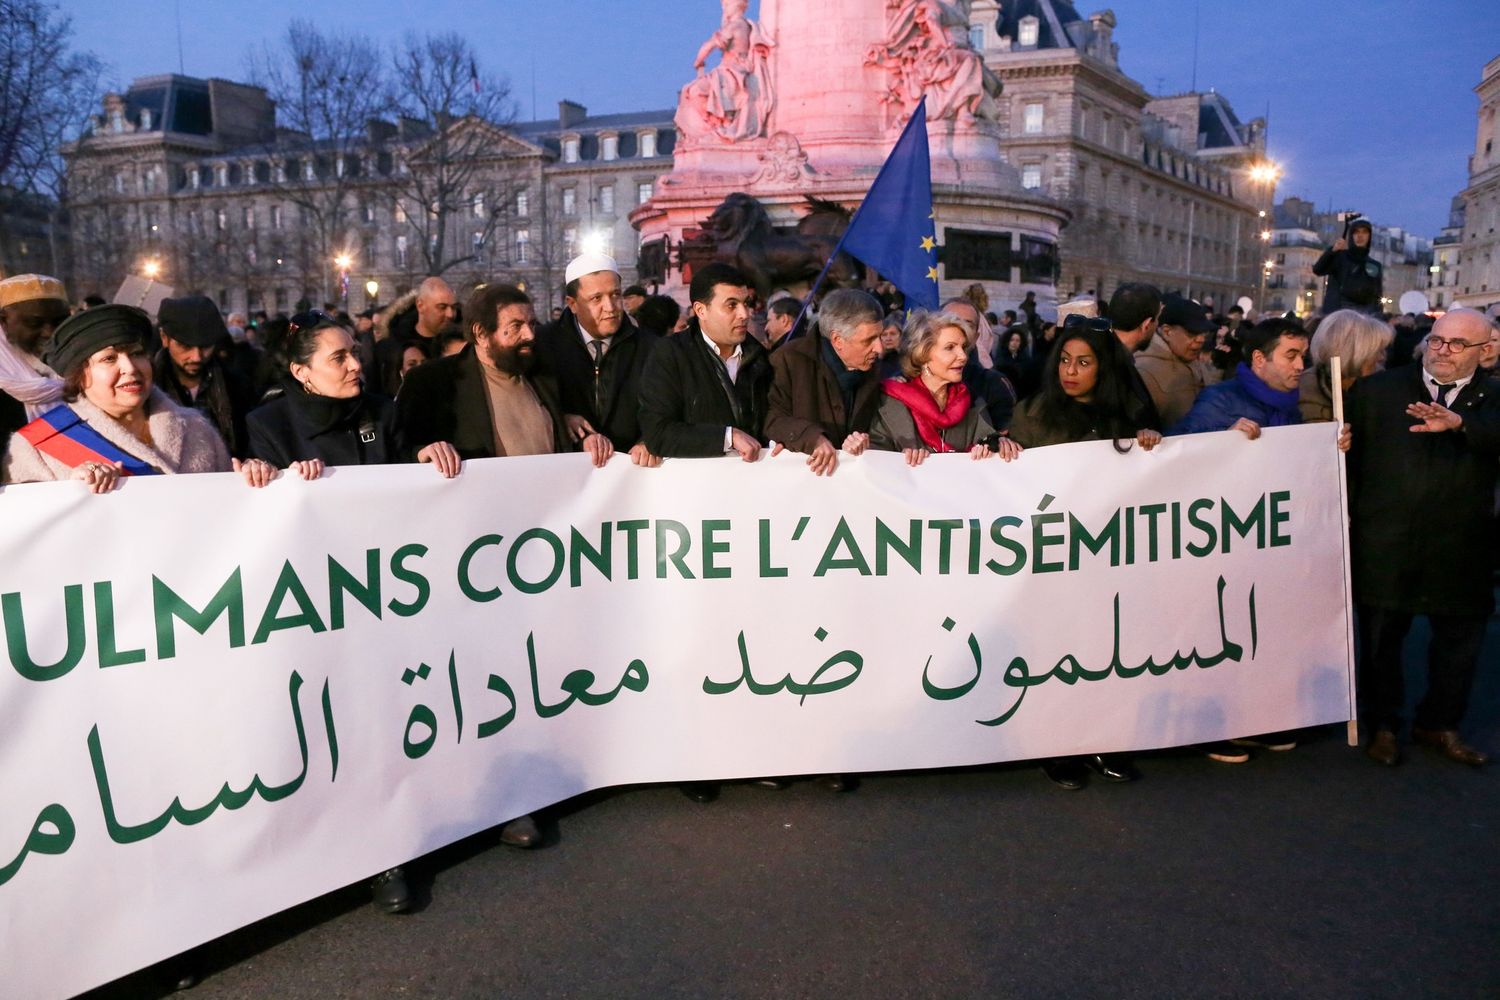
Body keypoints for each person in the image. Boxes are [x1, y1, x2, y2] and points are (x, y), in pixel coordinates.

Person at [1003, 320, 1157, 789]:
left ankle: (1103, 739)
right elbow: (1009, 486)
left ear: (1103, 368)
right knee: (1054, 650)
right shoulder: (1033, 413)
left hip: (1105, 557)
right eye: (1065, 361)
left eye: (1084, 362)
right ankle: (1056, 745)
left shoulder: (1128, 413)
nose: (1070, 371)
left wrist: (1151, 445)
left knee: (1104, 647)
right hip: (1050, 554)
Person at [1349, 309, 1500, 768]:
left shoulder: (1494, 397)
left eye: (1457, 344)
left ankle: (1439, 723)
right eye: (1437, 340)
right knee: (1381, 641)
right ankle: (1384, 725)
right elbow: (1349, 463)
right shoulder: (1378, 391)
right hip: (1387, 540)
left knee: (1459, 645)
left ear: (1485, 351)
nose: (1442, 351)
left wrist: (1462, 425)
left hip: (1464, 545)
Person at [2, 304, 278, 489]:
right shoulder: (38, 446)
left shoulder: (197, 428)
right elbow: (32, 536)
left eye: (136, 354)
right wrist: (72, 495)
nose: (130, 368)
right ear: (80, 375)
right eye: (109, 359)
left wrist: (253, 477)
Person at [397, 283, 604, 472]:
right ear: (481, 334)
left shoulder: (544, 373)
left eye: (531, 324)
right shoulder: (432, 382)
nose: (530, 335)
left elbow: (563, 436)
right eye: (516, 326)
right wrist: (423, 453)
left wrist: (584, 440)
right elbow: (398, 450)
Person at [638, 261, 772, 464]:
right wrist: (727, 437)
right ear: (701, 310)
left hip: (755, 475)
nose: (744, 314)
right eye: (731, 305)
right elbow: (658, 431)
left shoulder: (760, 357)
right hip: (695, 479)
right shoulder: (670, 354)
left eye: (746, 303)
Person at [535, 252, 661, 466]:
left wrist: (650, 440)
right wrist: (560, 418)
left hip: (633, 472)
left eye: (615, 295)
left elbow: (666, 407)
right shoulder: (543, 344)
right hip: (567, 470)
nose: (610, 307)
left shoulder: (651, 347)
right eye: (596, 298)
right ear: (572, 304)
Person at [869, 309, 1020, 463]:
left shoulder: (972, 402)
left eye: (963, 347)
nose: (963, 356)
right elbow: (873, 457)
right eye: (950, 348)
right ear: (923, 353)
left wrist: (998, 444)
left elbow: (988, 440)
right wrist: (899, 459)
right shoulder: (889, 402)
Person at [764, 287, 886, 476]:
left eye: (880, 336)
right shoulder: (787, 361)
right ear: (837, 340)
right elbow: (770, 419)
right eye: (868, 340)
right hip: (802, 482)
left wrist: (865, 443)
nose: (879, 348)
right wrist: (813, 438)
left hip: (853, 483)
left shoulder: (875, 370)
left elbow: (882, 432)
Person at [154, 294, 256, 458]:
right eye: (185, 346)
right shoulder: (148, 387)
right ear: (164, 338)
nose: (197, 357)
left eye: (206, 347)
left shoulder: (237, 386)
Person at [0, 273, 70, 451]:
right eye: (34, 323)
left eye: (59, 322)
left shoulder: (88, 372)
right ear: (3, 322)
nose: (49, 333)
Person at [1298, 309, 1393, 423]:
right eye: (1376, 351)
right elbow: (1318, 431)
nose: (1381, 357)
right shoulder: (1310, 385)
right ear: (1352, 352)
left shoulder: (1380, 381)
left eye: (1383, 350)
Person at [1134, 294, 1214, 428]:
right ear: (1167, 332)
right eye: (1192, 333)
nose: (1201, 339)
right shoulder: (1142, 370)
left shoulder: (1196, 363)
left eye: (1204, 333)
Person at [376, 277, 457, 397]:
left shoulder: (461, 342)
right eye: (442, 307)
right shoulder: (390, 347)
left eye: (453, 307)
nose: (450, 314)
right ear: (420, 306)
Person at [1312, 218, 1383, 316]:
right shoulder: (1339, 257)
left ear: (1369, 236)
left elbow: (1377, 296)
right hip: (1337, 312)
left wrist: (1377, 317)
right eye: (1356, 232)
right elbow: (1318, 270)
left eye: (1364, 232)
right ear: (1351, 235)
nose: (1360, 235)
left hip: (1362, 315)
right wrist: (1332, 251)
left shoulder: (1374, 265)